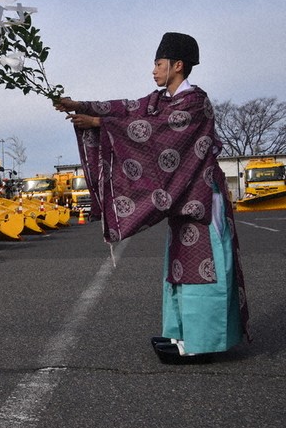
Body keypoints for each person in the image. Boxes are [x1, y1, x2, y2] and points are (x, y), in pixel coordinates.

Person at [55, 32, 250, 364]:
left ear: (178, 65)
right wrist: (80, 106)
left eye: (159, 63)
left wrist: (100, 123)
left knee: (204, 268)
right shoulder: (161, 100)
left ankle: (204, 342)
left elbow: (154, 131)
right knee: (181, 264)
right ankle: (182, 332)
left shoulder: (194, 102)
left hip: (201, 198)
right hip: (185, 197)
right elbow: (130, 109)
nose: (153, 70)